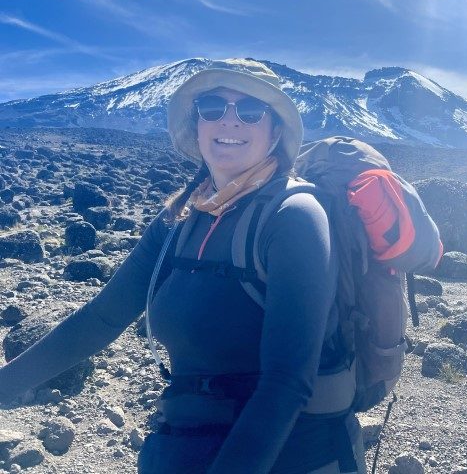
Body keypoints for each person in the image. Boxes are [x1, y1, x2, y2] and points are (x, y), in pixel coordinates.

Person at [0, 59, 367, 473]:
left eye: (250, 111)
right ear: (197, 124)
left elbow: (286, 383)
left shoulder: (294, 215)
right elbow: (101, 319)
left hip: (286, 452)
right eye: (213, 107)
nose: (230, 121)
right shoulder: (180, 218)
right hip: (189, 438)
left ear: (275, 130)